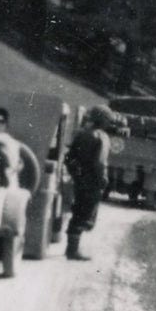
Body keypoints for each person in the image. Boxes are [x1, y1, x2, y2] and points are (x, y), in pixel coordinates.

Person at [63, 105, 116, 261]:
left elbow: (69, 158)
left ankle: (70, 249)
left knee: (77, 212)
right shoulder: (102, 137)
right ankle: (72, 251)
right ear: (103, 120)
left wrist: (78, 174)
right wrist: (102, 179)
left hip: (80, 180)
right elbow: (99, 163)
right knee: (84, 214)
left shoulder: (81, 134)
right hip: (92, 181)